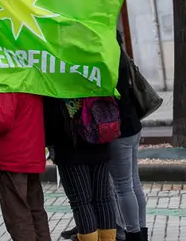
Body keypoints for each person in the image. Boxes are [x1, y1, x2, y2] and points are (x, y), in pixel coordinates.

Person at [0, 92, 50, 241]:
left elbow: (1, 119)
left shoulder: (7, 82)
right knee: (35, 210)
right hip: (30, 153)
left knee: (17, 215)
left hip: (10, 157)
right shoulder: (28, 79)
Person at [44, 95, 117, 241]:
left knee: (82, 202)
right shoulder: (95, 72)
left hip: (70, 147)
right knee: (103, 199)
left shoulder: (53, 77)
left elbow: (49, 118)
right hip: (99, 138)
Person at [108, 32, 147, 241]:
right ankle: (141, 231)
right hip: (132, 123)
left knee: (122, 186)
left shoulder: (107, 59)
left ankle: (133, 234)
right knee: (133, 183)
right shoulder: (122, 55)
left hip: (118, 128)